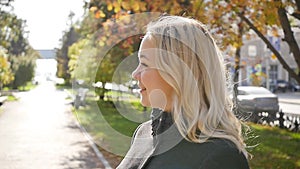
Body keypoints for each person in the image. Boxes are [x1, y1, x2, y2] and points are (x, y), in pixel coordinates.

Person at [117, 14, 250, 169]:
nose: (135, 73)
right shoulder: (144, 133)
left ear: (177, 72)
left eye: (145, 64)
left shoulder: (222, 157)